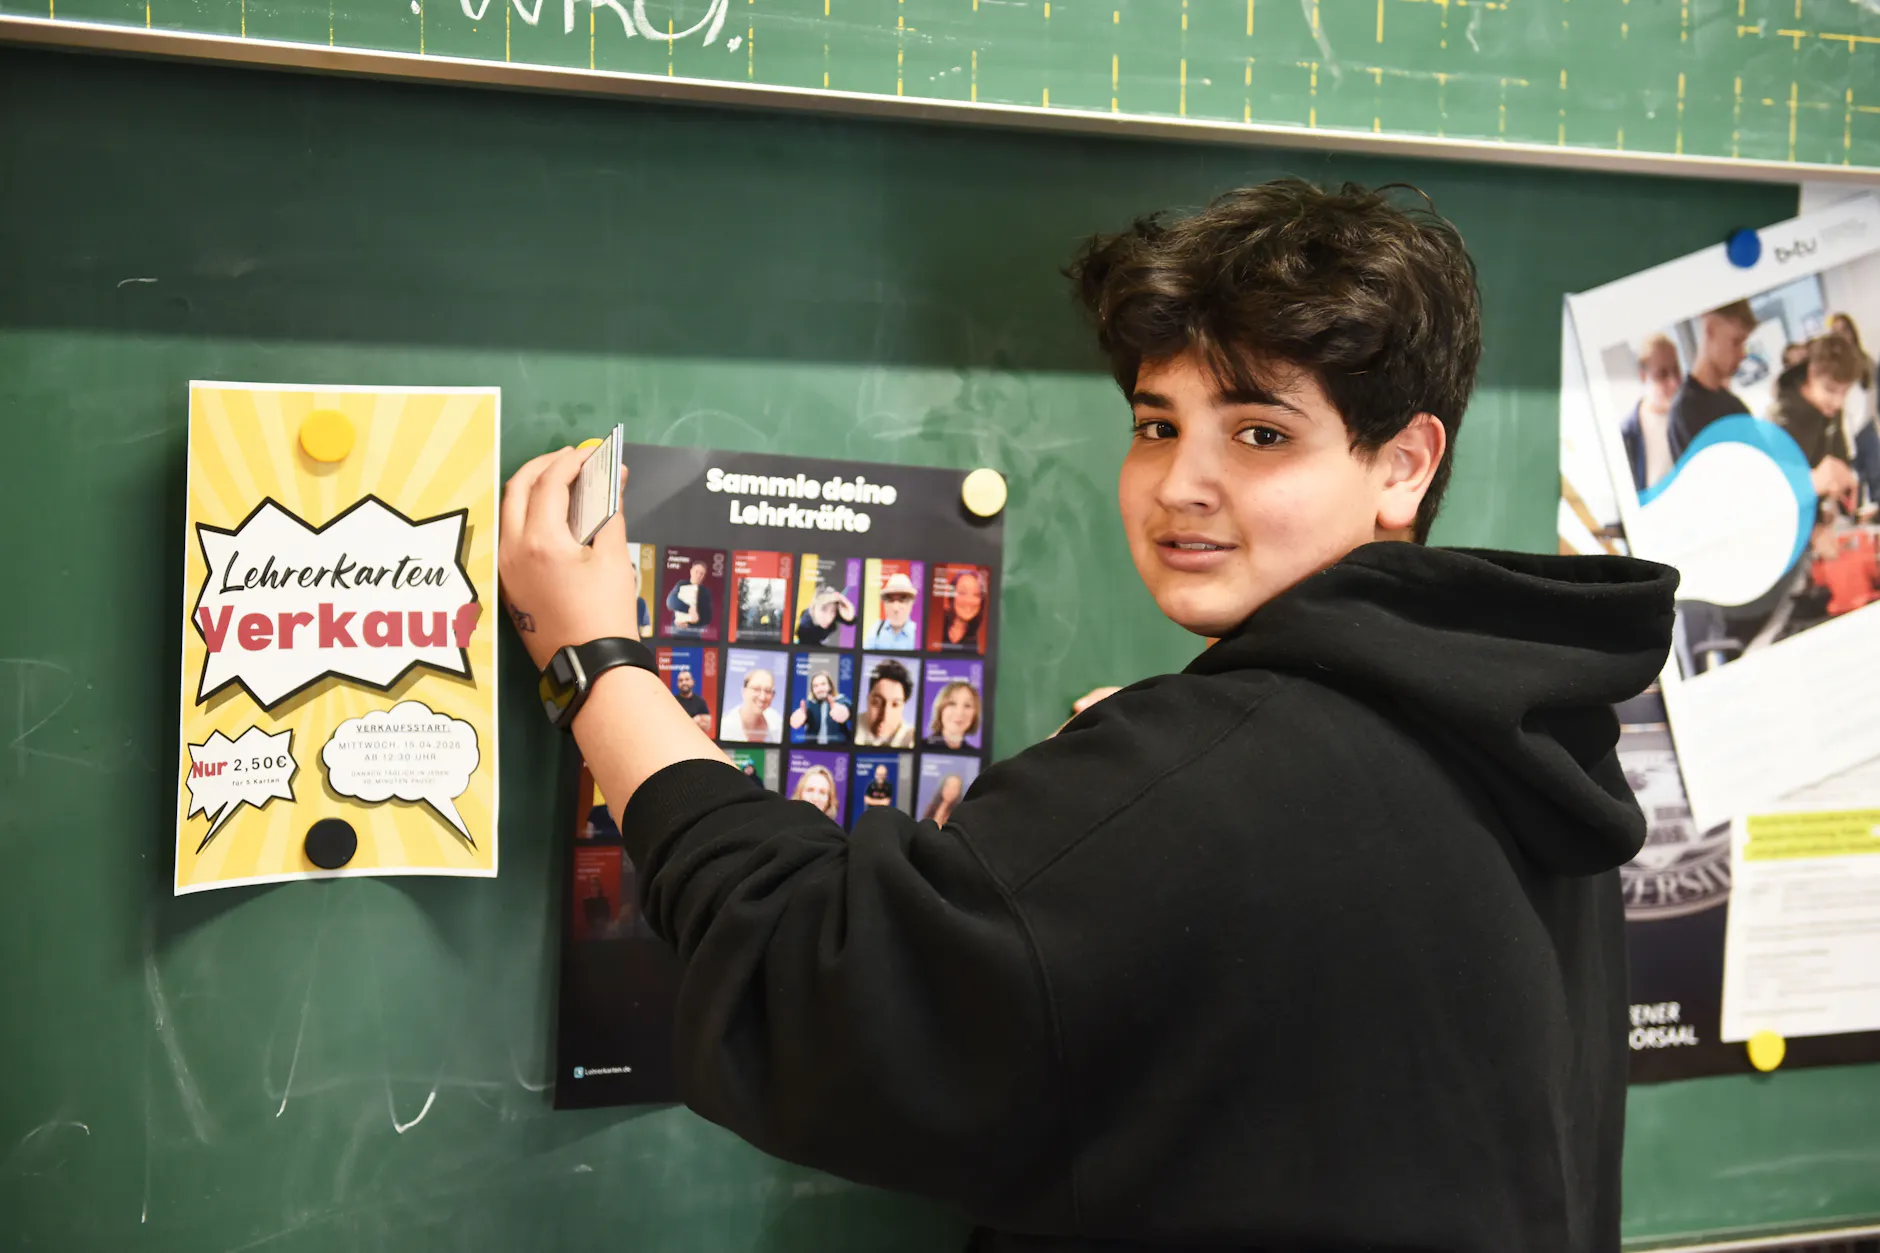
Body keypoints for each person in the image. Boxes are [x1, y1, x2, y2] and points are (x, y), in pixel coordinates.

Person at [498, 178, 1676, 1252]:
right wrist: (1171, 772)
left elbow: (802, 973)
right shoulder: (1499, 733)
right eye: (1156, 422)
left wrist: (598, 663)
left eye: (1259, 433)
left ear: (1403, 463)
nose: (1179, 483)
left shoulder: (1217, 775)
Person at [1768, 334, 1864, 514]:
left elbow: (1838, 456)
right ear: (1811, 374)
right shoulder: (1780, 421)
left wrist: (1845, 483)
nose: (1838, 402)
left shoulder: (1831, 409)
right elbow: (1771, 496)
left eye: (1844, 392)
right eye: (1831, 390)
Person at [1666, 299, 1757, 461]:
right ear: (1710, 329)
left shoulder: (1735, 405)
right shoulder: (1686, 410)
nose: (1742, 354)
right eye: (1735, 342)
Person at [1619, 333, 1683, 494]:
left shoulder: (1693, 411)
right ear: (1643, 376)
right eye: (1662, 374)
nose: (1674, 382)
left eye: (1676, 370)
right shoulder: (1627, 436)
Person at [1829, 312, 1880, 503]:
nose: (1843, 335)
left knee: (1876, 477)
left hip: (1866, 426)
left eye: (1845, 330)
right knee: (1854, 484)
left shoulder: (1866, 360)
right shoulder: (1833, 366)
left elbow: (1874, 396)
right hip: (1846, 431)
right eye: (1837, 332)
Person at [854, 658, 916, 748]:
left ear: (903, 705)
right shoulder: (848, 727)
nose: (884, 717)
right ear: (868, 699)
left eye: (895, 704)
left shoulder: (912, 740)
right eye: (876, 703)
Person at [718, 665, 780, 744]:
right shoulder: (726, 727)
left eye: (768, 691)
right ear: (744, 691)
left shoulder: (776, 722)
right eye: (756, 689)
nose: (762, 697)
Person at [788, 670, 851, 744]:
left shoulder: (841, 700)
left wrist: (844, 712)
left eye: (823, 684)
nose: (820, 689)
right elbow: (803, 716)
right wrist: (799, 718)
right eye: (815, 686)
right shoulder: (810, 704)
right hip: (813, 750)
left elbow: (848, 708)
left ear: (830, 686)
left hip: (838, 750)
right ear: (813, 690)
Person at [933, 569, 988, 653]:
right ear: (952, 597)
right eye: (962, 593)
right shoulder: (935, 624)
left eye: (976, 594)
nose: (969, 601)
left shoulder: (980, 641)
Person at [863, 571, 919, 649]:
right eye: (890, 600)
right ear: (884, 604)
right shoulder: (876, 629)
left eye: (902, 601)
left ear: (911, 604)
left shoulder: (918, 634)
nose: (895, 608)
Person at [922, 680, 981, 751]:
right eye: (952, 704)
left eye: (967, 705)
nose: (959, 712)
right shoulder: (922, 747)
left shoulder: (974, 754)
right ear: (940, 709)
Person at [666, 560, 715, 637]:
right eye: (696, 572)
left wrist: (691, 622)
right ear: (691, 571)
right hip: (677, 630)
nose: (698, 575)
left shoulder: (705, 592)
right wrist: (689, 609)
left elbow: (707, 617)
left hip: (694, 634)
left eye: (701, 573)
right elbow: (670, 602)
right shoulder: (681, 584)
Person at [670, 666, 714, 735]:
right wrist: (693, 721)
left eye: (687, 679)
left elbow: (707, 727)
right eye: (681, 680)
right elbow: (671, 725)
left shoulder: (700, 701)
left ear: (692, 682)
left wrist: (683, 723)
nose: (684, 683)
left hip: (695, 741)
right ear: (677, 684)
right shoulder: (673, 702)